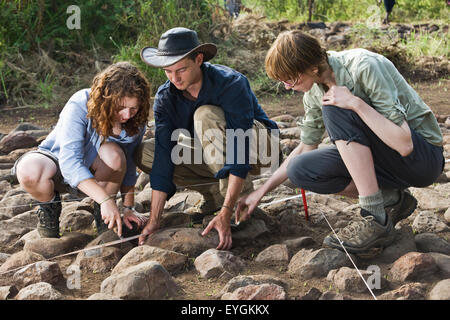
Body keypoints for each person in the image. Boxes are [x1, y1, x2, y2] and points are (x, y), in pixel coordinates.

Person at [235, 30, 444, 255]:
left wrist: (355, 103)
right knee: (299, 170)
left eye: (290, 78)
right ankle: (391, 199)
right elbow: (306, 147)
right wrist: (261, 191)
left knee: (335, 107)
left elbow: (405, 144)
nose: (287, 86)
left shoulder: (365, 66)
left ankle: (375, 217)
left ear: (313, 68)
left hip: (422, 160)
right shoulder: (313, 93)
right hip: (385, 163)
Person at [136, 27, 280, 249]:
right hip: (215, 151)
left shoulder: (231, 83)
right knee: (145, 151)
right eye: (167, 71)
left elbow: (239, 145)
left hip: (261, 149)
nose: (174, 78)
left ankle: (237, 205)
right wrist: (155, 220)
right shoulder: (166, 98)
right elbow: (164, 158)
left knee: (204, 115)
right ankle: (213, 194)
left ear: (199, 59)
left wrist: (227, 211)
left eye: (181, 69)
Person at [12, 62, 150, 238]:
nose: (126, 115)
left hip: (97, 172)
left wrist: (128, 208)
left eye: (133, 108)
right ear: (106, 99)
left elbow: (129, 165)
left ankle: (103, 215)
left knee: (115, 155)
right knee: (29, 170)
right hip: (57, 162)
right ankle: (49, 207)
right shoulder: (81, 102)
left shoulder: (135, 122)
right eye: (120, 107)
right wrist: (107, 200)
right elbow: (70, 162)